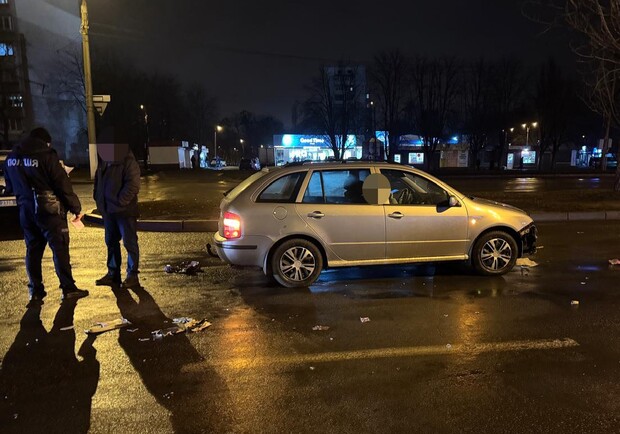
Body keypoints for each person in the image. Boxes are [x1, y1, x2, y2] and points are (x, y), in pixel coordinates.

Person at [3, 127, 89, 306]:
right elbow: (61, 184)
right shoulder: (46, 154)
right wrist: (75, 207)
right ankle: (68, 288)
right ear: (45, 141)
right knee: (59, 248)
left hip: (25, 210)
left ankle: (35, 291)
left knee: (33, 250)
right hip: (49, 210)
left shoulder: (12, 157)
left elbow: (10, 186)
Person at [93, 140, 142, 289]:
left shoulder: (126, 160)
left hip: (124, 212)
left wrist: (121, 201)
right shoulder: (104, 161)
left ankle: (132, 275)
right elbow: (98, 183)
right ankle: (113, 274)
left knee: (129, 242)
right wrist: (99, 200)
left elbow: (133, 184)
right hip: (108, 211)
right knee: (111, 242)